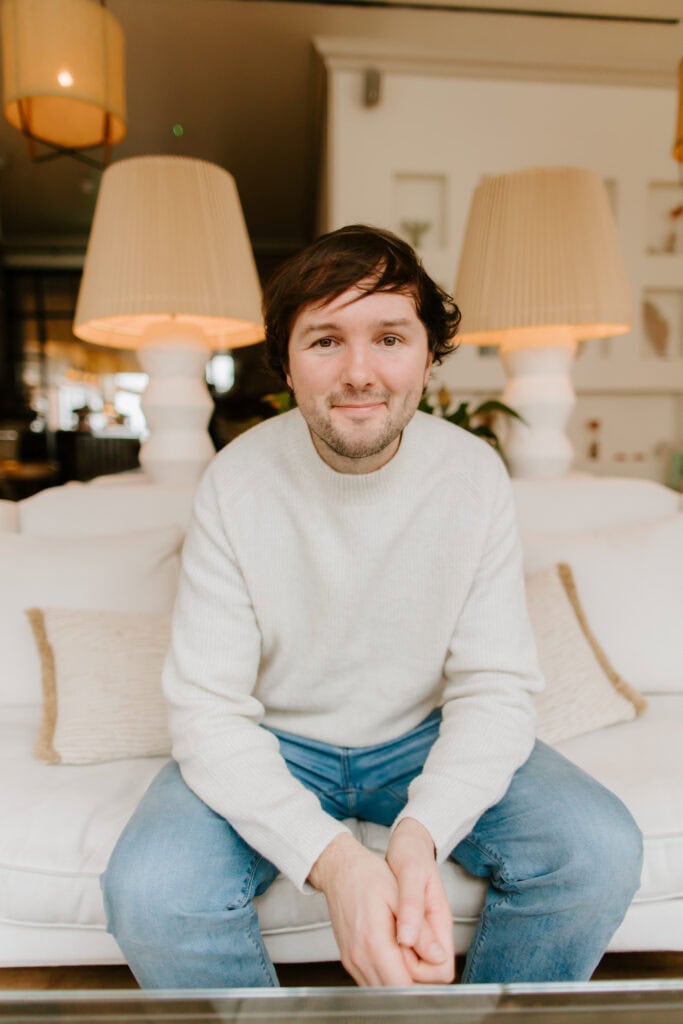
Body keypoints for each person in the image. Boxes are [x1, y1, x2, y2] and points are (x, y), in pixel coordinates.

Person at [102, 224, 642, 988]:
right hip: (275, 742)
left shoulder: (472, 476)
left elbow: (494, 687)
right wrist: (338, 865)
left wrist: (420, 836)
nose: (359, 373)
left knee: (597, 849)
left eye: (388, 338)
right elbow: (207, 710)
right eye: (325, 341)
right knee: (151, 893)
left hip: (422, 735)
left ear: (427, 356)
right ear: (286, 362)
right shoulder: (234, 482)